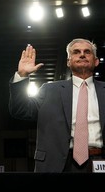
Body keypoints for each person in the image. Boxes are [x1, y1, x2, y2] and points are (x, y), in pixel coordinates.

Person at [9, 38, 105, 173]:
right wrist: (22, 75)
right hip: (57, 165)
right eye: (76, 52)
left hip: (99, 162)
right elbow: (20, 110)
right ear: (68, 62)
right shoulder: (49, 90)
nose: (82, 54)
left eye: (87, 52)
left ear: (96, 61)